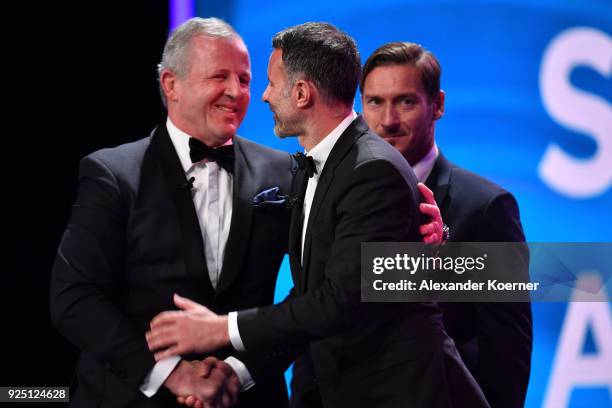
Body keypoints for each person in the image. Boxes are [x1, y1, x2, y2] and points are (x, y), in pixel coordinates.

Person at [146, 22, 489, 408]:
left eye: (269, 83)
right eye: (375, 100)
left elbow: (337, 302)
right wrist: (237, 371)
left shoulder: (372, 170)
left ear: (302, 92)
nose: (262, 96)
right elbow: (313, 295)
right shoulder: (316, 168)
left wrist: (220, 329)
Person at [50, 17, 294, 408]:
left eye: (245, 80)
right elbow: (73, 298)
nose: (235, 91)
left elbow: (313, 293)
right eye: (219, 76)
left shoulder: (284, 171)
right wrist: (174, 375)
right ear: (171, 85)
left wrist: (239, 371)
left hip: (247, 397)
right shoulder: (113, 173)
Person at [359, 41, 533, 408]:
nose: (388, 120)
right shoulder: (341, 199)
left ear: (437, 104)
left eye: (405, 101)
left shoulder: (487, 209)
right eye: (375, 101)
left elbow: (507, 352)